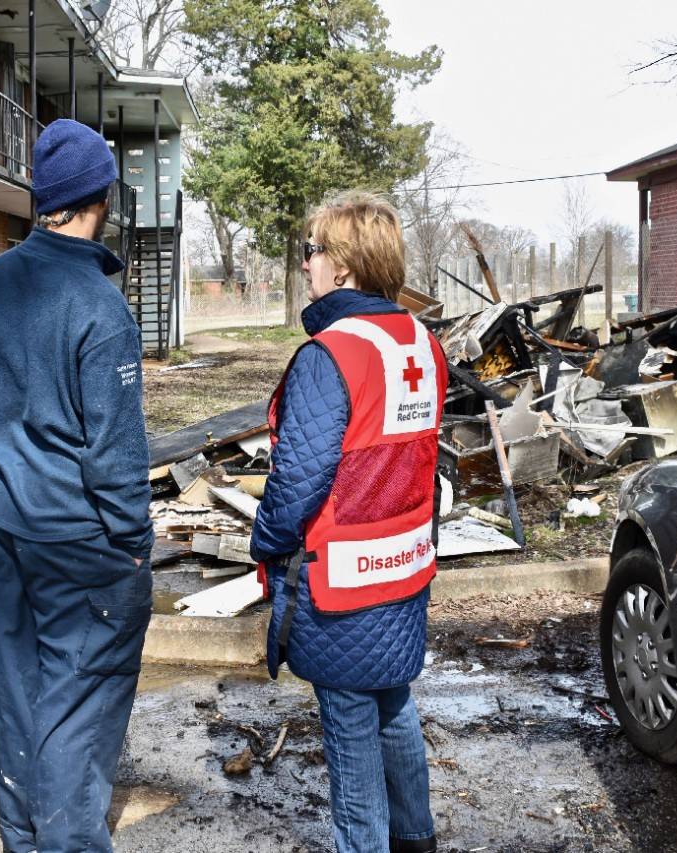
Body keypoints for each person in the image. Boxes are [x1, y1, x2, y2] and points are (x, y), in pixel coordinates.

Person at [0, 118, 153, 853]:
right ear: (103, 195)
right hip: (77, 538)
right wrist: (133, 546)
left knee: (16, 691)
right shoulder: (100, 307)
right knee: (78, 700)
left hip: (1, 526)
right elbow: (113, 451)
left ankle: (24, 839)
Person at [251, 191, 447, 853]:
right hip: (405, 573)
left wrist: (266, 542)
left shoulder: (329, 354)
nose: (306, 264)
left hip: (341, 587)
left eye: (313, 251)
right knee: (394, 707)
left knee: (351, 738)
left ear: (343, 265)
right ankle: (417, 836)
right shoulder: (421, 342)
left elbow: (298, 481)